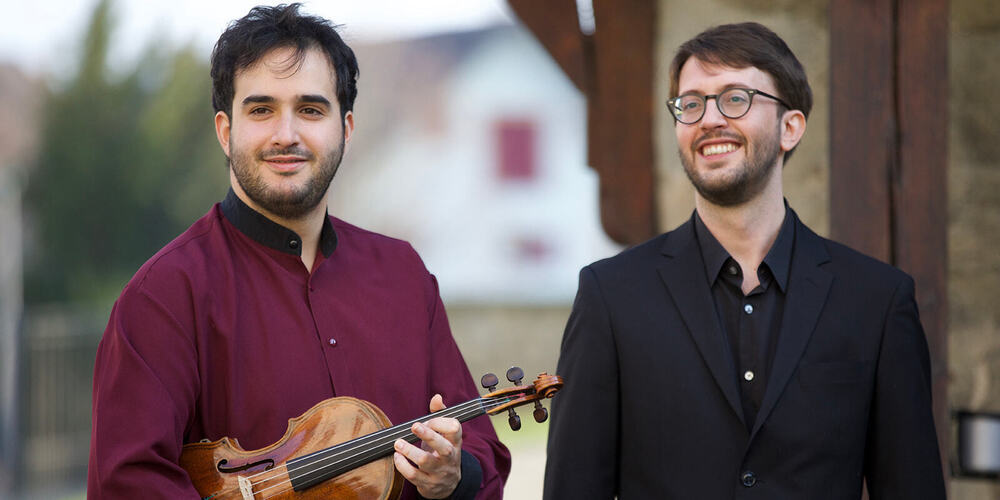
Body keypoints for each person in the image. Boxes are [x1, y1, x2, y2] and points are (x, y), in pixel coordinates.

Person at [87, 4, 510, 499]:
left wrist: (455, 475)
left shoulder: (404, 275)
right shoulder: (163, 296)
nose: (286, 135)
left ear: (345, 129)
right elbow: (128, 482)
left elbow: (482, 455)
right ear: (226, 132)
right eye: (261, 109)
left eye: (310, 109)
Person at [543, 22, 945, 499]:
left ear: (790, 128)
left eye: (735, 98)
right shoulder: (610, 296)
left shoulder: (877, 300)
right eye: (691, 104)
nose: (709, 119)